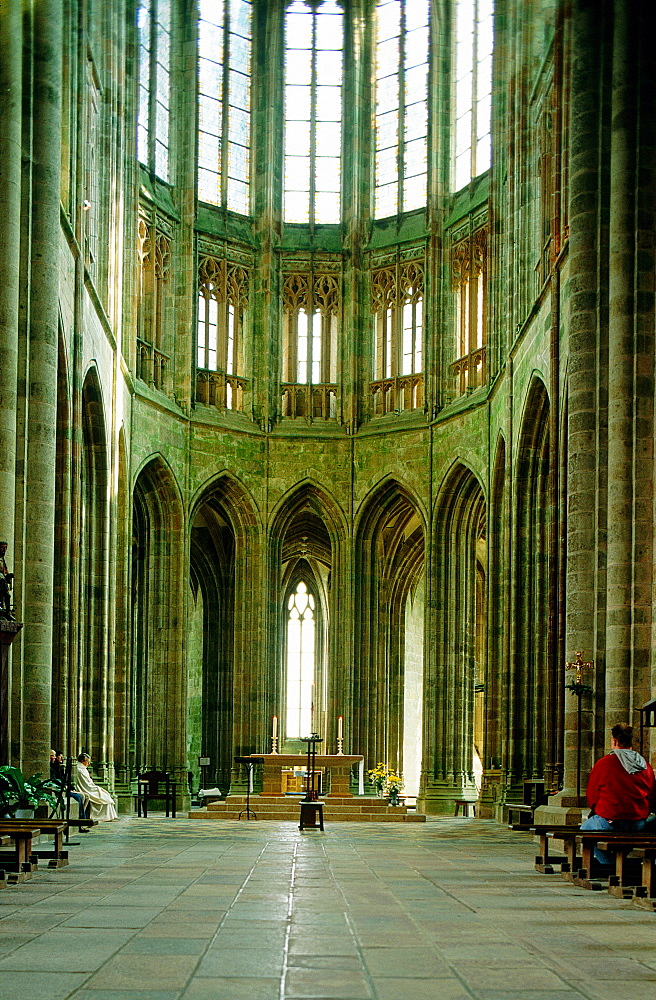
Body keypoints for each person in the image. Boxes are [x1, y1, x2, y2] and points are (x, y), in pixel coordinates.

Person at [580, 722, 656, 863]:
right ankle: (619, 864)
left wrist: (598, 809)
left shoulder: (604, 763)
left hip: (610, 821)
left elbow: (592, 795)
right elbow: (651, 795)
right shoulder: (645, 765)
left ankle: (609, 864)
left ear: (614, 741)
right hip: (637, 822)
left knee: (584, 830)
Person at [75, 752, 118, 822]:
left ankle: (107, 816)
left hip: (89, 787)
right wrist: (96, 788)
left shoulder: (83, 768)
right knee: (104, 795)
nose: (89, 764)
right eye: (87, 762)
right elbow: (85, 784)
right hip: (86, 789)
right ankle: (102, 816)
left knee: (105, 794)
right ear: (82, 761)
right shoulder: (79, 769)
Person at [51, 750, 87, 821]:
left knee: (84, 796)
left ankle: (82, 819)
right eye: (53, 756)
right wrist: (65, 787)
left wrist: (71, 787)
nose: (55, 758)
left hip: (65, 788)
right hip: (61, 790)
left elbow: (65, 780)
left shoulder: (58, 767)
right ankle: (81, 820)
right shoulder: (53, 768)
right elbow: (56, 780)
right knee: (79, 797)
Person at [0, 541, 14, 620]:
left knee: (7, 596)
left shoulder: (2, 560)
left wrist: (8, 576)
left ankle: (8, 612)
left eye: (5, 548)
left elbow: (4, 571)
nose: (4, 550)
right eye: (2, 548)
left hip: (2, 581)